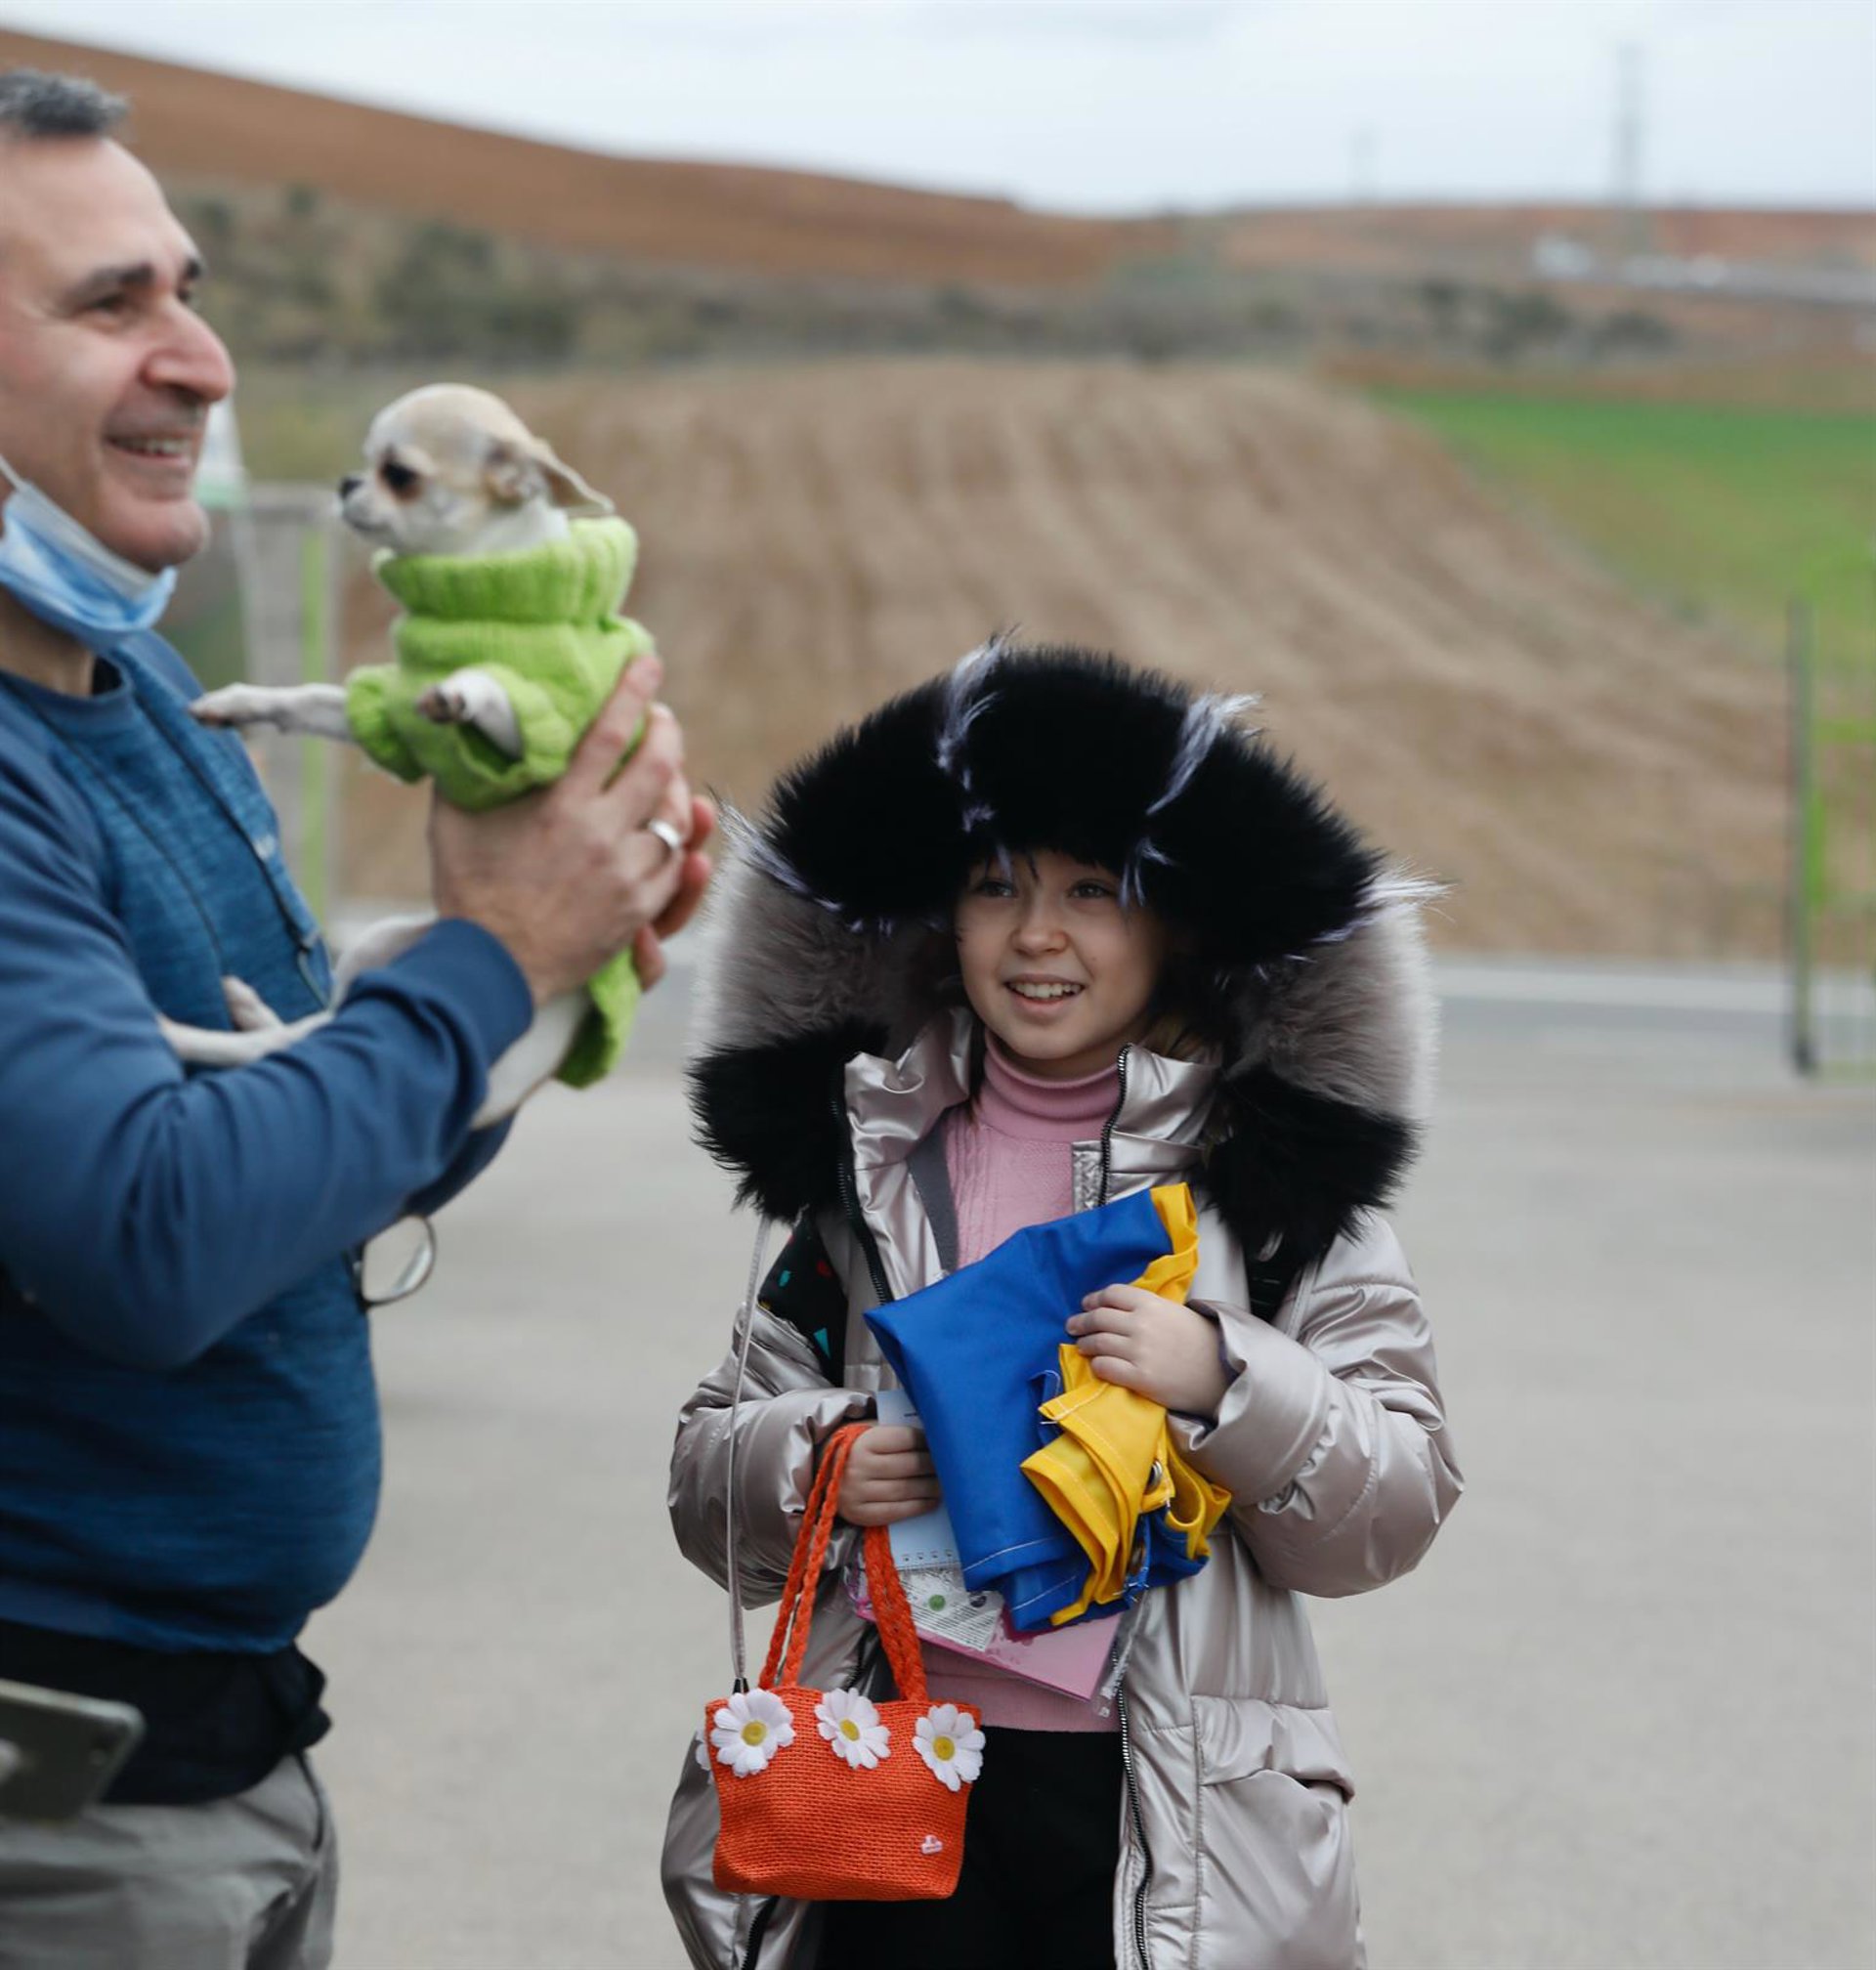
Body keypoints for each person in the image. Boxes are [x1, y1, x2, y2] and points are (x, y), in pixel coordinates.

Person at [0, 68, 712, 1969]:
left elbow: (307, 1163)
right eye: (110, 304)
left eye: (189, 289)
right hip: (51, 1836)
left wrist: (551, 965)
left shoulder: (139, 705)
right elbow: (148, 1237)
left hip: (207, 1778)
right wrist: (493, 959)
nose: (203, 359)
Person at [661, 639, 1462, 1969]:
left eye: (1093, 889)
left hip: (1167, 1819)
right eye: (997, 887)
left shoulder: (1272, 1198)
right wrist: (817, 1460)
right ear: (945, 917)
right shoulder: (866, 1167)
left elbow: (1393, 1507)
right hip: (893, 1777)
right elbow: (706, 1476)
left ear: (1176, 924)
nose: (1038, 935)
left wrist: (1226, 1379)